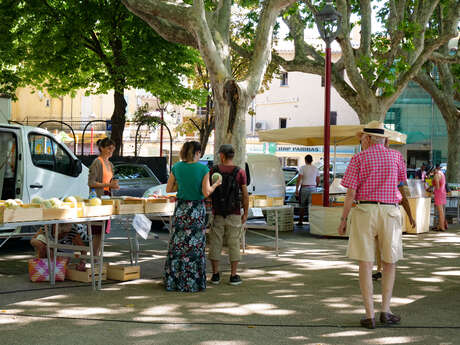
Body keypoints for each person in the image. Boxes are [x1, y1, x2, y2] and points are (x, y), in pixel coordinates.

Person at [338, 121, 411, 329]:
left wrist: (343, 220)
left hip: (365, 212)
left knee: (365, 263)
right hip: (390, 211)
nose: (360, 141)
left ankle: (369, 315)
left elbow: (350, 193)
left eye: (362, 137)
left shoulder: (359, 158)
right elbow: (401, 185)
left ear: (368, 138)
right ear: (384, 139)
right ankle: (385, 311)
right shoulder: (396, 156)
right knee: (390, 262)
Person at [163, 141, 221, 292]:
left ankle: (174, 281)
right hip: (196, 210)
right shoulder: (203, 169)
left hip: (181, 209)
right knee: (195, 246)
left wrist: (182, 185)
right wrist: (216, 184)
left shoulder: (176, 167)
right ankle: (193, 282)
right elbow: (206, 192)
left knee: (178, 244)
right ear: (196, 152)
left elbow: (169, 188)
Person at [372, 139, 416, 281]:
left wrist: (410, 216)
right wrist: (410, 216)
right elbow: (403, 194)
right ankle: (381, 268)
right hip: (388, 211)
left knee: (383, 244)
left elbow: (402, 194)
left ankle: (383, 268)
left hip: (381, 211)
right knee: (383, 244)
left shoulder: (391, 161)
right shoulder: (393, 160)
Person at [208, 144, 249, 286]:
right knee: (234, 243)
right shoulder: (240, 172)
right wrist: (246, 212)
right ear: (233, 155)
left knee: (215, 242)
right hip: (234, 212)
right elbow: (244, 194)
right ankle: (233, 275)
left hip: (217, 213)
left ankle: (215, 275)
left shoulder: (213, 171)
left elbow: (208, 192)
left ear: (222, 155)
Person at [88, 138, 120, 255]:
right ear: (102, 148)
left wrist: (113, 186)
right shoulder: (97, 162)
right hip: (97, 198)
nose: (111, 150)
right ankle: (94, 257)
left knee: (102, 230)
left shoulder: (110, 164)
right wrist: (108, 184)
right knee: (97, 230)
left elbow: (109, 183)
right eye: (109, 148)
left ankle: (96, 257)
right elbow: (91, 183)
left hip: (107, 197)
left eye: (113, 148)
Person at [295, 154, 320, 226]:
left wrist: (297, 189)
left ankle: (300, 221)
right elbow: (318, 180)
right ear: (312, 160)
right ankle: (312, 223)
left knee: (302, 205)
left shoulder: (302, 168)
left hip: (304, 188)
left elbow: (299, 179)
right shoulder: (315, 168)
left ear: (305, 160)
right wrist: (316, 186)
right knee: (311, 206)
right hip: (313, 188)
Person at [433, 163, 447, 231]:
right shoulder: (442, 174)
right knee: (441, 211)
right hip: (443, 192)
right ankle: (440, 225)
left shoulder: (436, 175)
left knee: (440, 211)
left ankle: (442, 227)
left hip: (438, 194)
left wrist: (433, 186)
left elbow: (437, 187)